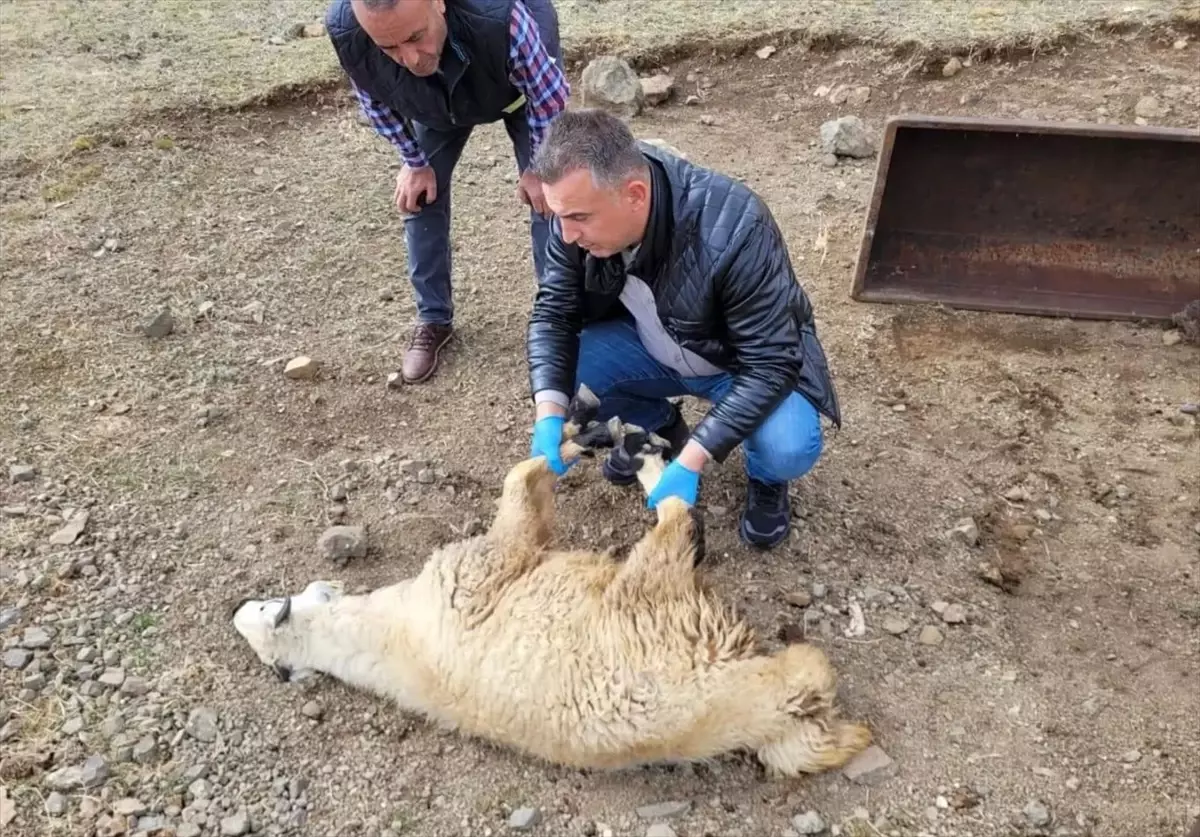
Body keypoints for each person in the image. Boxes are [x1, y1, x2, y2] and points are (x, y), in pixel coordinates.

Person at [525, 109, 841, 550]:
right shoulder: (575, 222)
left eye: (578, 217)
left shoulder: (735, 227)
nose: (566, 234)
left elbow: (770, 364)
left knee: (787, 445)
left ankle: (766, 478)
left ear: (635, 195)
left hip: (738, 363)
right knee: (565, 378)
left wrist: (694, 463)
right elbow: (552, 314)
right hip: (653, 345)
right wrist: (549, 416)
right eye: (558, 217)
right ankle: (660, 429)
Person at [325, 0, 569, 383]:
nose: (408, 58)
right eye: (389, 47)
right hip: (438, 105)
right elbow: (374, 99)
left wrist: (540, 167)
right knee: (420, 199)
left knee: (551, 199)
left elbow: (549, 95)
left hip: (520, 93)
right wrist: (414, 161)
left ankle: (559, 322)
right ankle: (433, 319)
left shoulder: (505, 20)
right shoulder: (349, 32)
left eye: (415, 37)